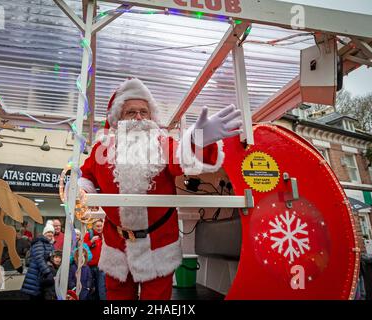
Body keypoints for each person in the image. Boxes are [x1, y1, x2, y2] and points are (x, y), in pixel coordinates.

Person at [77, 78, 242, 300]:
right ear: (117, 119)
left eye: (144, 112)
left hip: (159, 243)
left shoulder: (163, 143)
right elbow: (84, 176)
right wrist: (82, 191)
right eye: (131, 112)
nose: (138, 118)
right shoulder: (101, 149)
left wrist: (197, 138)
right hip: (116, 244)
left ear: (152, 116)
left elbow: (185, 160)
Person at [21, 220, 55, 300]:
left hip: (40, 276)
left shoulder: (48, 243)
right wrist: (47, 272)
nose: (50, 234)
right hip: (35, 275)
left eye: (52, 232)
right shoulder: (39, 242)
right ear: (44, 233)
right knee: (35, 296)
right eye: (48, 232)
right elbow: (39, 258)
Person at [84, 219, 106, 300]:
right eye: (97, 226)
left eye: (101, 226)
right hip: (89, 266)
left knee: (102, 288)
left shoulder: (105, 235)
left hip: (102, 266)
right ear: (93, 226)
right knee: (90, 288)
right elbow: (83, 248)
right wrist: (91, 241)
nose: (99, 228)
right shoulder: (88, 235)